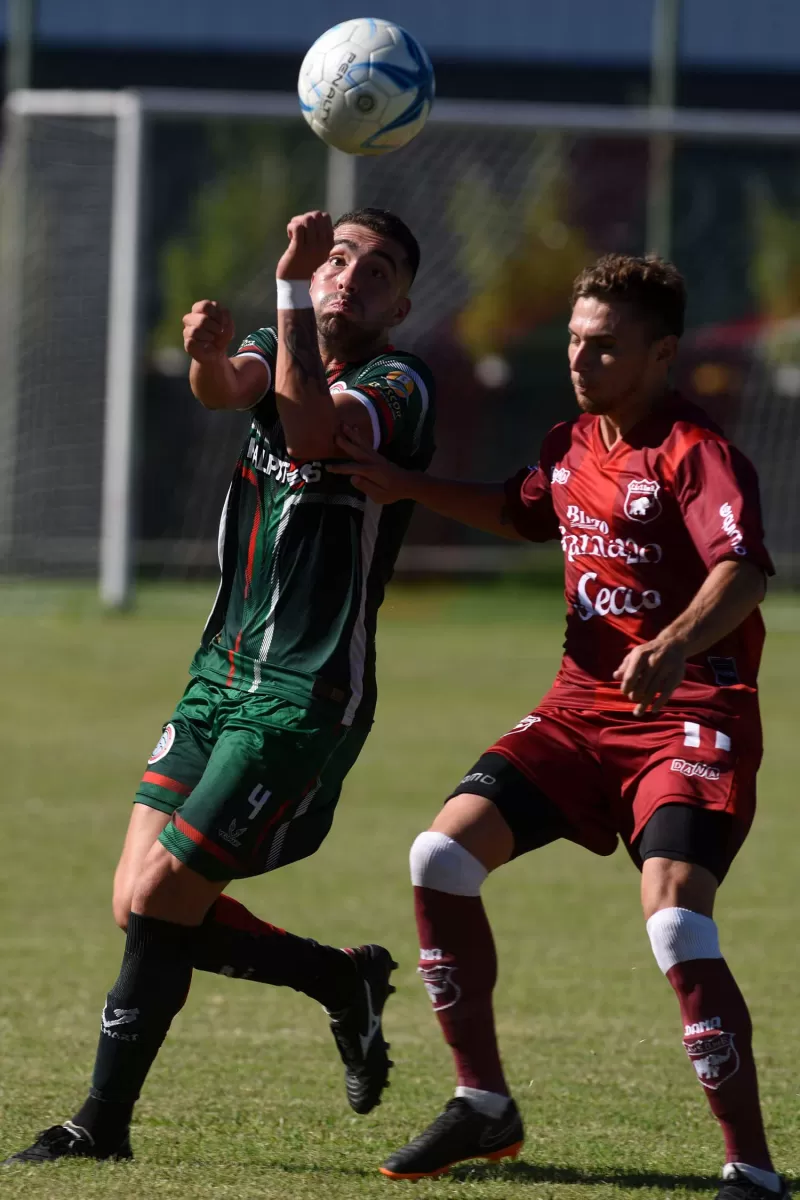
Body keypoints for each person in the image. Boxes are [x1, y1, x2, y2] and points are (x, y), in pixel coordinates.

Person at [330, 254, 787, 1197]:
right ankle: (483, 1102)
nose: (581, 357)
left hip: (688, 715)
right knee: (440, 858)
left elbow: (742, 569)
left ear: (661, 355)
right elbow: (520, 509)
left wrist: (669, 644)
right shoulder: (572, 440)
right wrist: (406, 484)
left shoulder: (696, 452)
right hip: (579, 715)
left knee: (674, 922)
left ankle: (751, 1167)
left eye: (605, 344)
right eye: (576, 338)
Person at [5, 207, 436, 1165]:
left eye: (377, 270)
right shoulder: (271, 340)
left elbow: (312, 427)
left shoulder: (401, 384)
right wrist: (206, 352)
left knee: (163, 895)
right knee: (137, 902)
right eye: (337, 260)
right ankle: (339, 980)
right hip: (219, 673)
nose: (349, 277)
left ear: (401, 303)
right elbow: (225, 388)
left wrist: (286, 289)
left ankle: (99, 1125)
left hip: (303, 690)